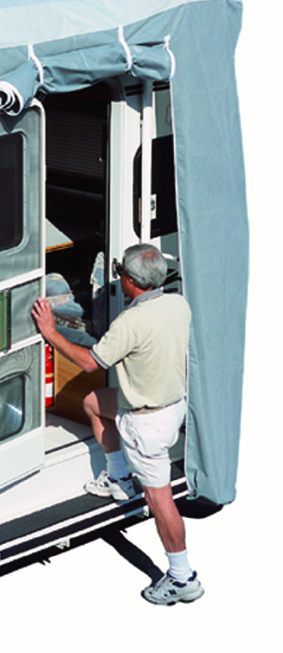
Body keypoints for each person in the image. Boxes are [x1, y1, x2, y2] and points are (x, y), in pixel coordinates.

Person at [31, 243, 203, 605]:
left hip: (146, 423)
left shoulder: (130, 323)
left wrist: (50, 332)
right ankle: (119, 479)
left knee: (160, 501)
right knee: (93, 403)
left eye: (120, 271)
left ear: (131, 281)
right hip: (170, 405)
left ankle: (181, 577)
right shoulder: (178, 304)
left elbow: (90, 362)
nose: (117, 277)